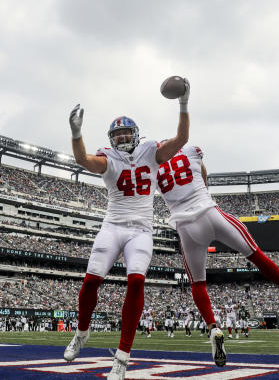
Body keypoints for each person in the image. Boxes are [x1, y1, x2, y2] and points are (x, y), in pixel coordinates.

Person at [63, 79, 190, 380]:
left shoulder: (150, 150)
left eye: (125, 132)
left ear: (135, 134)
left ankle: (122, 357)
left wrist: (183, 103)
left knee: (135, 283)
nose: (121, 138)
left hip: (141, 230)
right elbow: (82, 160)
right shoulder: (109, 157)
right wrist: (76, 133)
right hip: (113, 225)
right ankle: (82, 333)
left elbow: (182, 139)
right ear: (112, 138)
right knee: (91, 281)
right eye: (116, 134)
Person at [157, 144, 279, 367]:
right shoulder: (190, 150)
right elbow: (203, 173)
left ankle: (213, 327)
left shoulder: (152, 165)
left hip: (184, 226)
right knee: (256, 255)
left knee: (198, 283)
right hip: (210, 212)